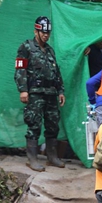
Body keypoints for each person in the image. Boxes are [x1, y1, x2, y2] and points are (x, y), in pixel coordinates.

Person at [14, 16, 66, 172]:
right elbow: (20, 69)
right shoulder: (26, 47)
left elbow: (56, 72)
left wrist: (60, 90)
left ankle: (52, 156)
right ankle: (32, 158)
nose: (45, 35)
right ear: (35, 31)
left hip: (50, 92)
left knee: (53, 124)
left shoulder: (50, 50)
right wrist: (23, 90)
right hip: (35, 92)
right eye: (43, 32)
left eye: (48, 32)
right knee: (34, 123)